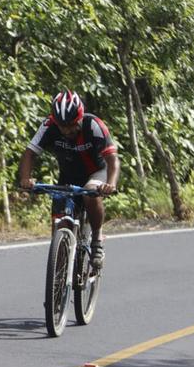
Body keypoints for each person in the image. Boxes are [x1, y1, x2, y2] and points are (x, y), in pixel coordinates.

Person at [18, 89, 120, 268]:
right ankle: (60, 270)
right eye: (62, 126)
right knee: (60, 224)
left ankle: (97, 238)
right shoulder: (49, 125)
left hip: (96, 173)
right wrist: (25, 179)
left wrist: (110, 184)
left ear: (80, 117)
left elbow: (112, 159)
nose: (67, 130)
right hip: (67, 177)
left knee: (89, 193)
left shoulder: (94, 125)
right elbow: (30, 153)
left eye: (72, 125)